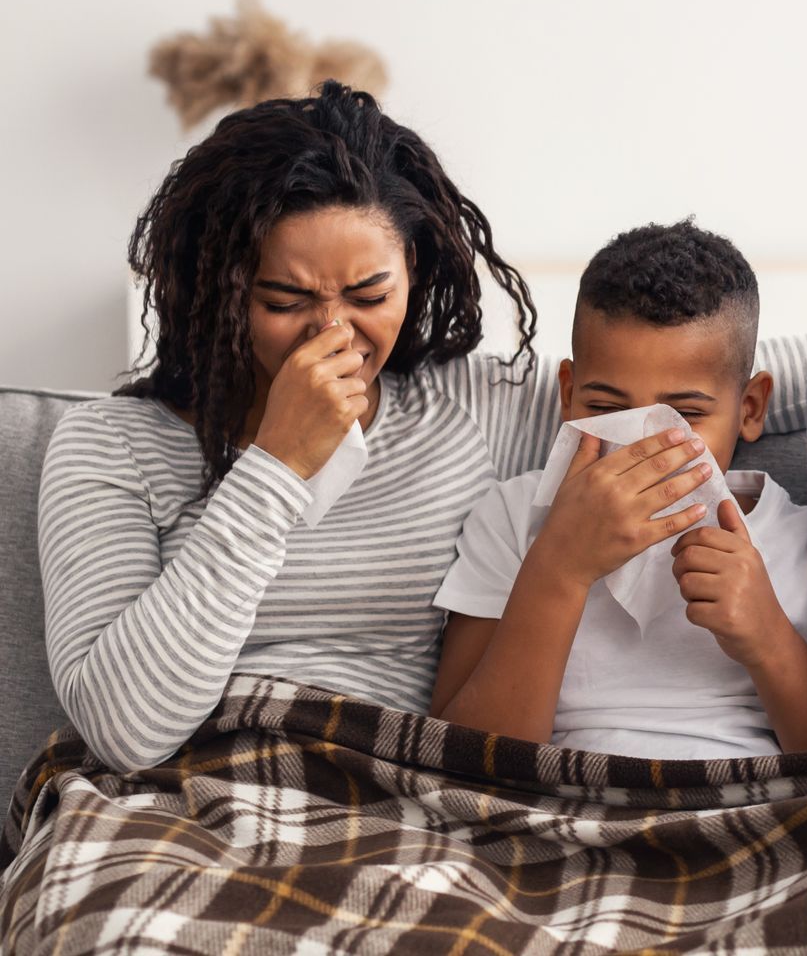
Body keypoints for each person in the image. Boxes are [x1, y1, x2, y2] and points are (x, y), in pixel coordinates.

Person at [39, 82, 557, 772]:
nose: (334, 332)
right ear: (220, 292)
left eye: (371, 295)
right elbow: (124, 733)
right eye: (286, 300)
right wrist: (277, 464)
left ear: (414, 271)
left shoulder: (472, 407)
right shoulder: (110, 446)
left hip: (385, 794)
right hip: (187, 790)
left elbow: (677, 393)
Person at [430, 222, 807, 757]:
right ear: (567, 396)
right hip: (552, 791)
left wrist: (769, 635)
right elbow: (456, 755)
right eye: (606, 408)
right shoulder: (513, 516)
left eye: (684, 415)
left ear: (750, 409)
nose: (640, 444)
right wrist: (559, 567)